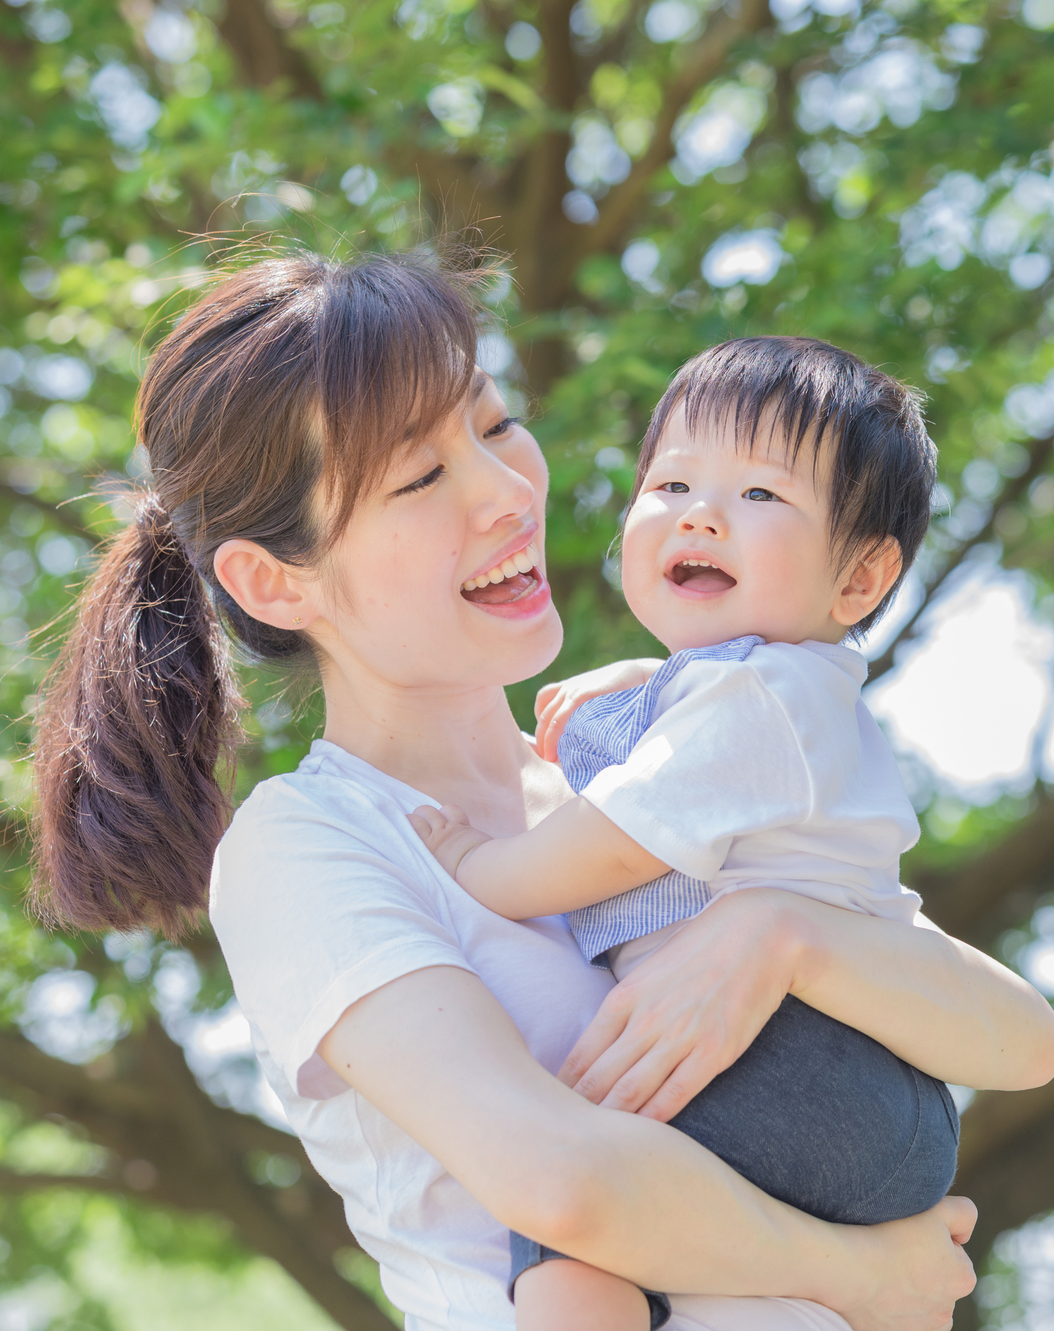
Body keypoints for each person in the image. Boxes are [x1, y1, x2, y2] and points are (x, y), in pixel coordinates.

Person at [26, 248, 1054, 1331]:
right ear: (274, 581)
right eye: (420, 478)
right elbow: (562, 1181)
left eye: (495, 423)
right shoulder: (312, 844)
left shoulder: (639, 776)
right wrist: (854, 1275)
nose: (504, 492)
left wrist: (780, 934)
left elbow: (1017, 1038)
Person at [409, 337, 972, 1331]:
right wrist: (641, 681)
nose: (700, 510)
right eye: (670, 479)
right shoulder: (767, 689)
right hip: (858, 1084)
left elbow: (624, 840)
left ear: (858, 580)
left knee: (577, 1200)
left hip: (806, 1062)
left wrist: (475, 866)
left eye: (762, 495)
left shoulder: (755, 697)